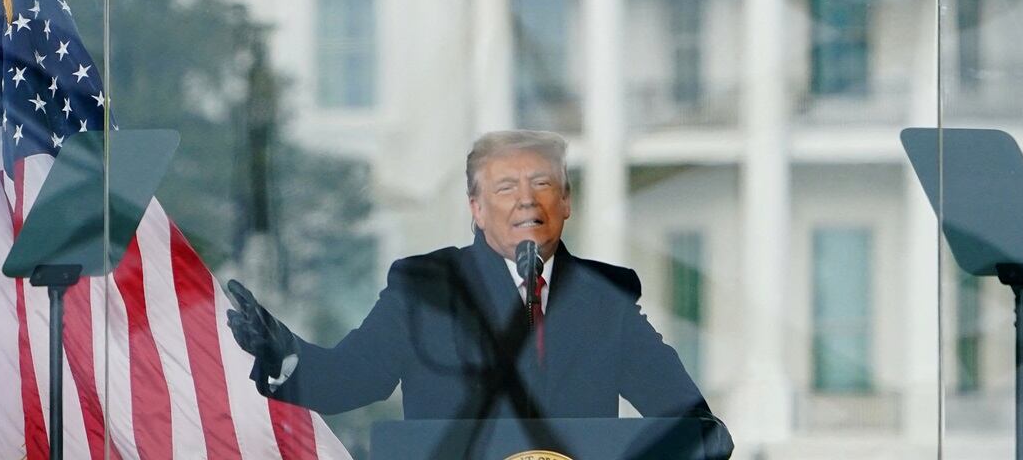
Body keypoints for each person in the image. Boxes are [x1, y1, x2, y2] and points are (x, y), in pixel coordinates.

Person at [227, 129, 732, 456]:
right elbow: (350, 379)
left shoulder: (605, 299)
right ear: (476, 208)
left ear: (566, 202)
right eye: (506, 188)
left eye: (542, 185)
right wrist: (286, 353)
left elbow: (695, 426)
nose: (527, 201)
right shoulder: (426, 288)